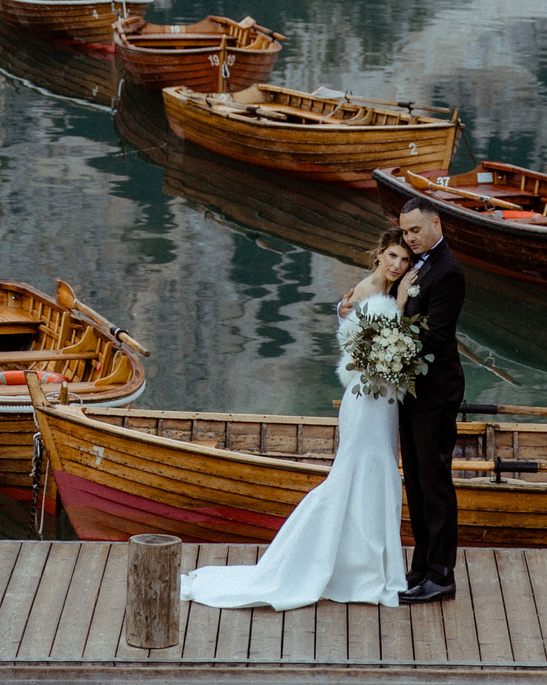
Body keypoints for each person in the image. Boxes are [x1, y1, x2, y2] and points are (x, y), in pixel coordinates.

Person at [179, 231, 416, 610]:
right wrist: (401, 305)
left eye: (404, 261)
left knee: (375, 473)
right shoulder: (367, 293)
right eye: (392, 256)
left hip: (381, 402)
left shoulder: (381, 294)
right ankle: (355, 571)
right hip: (367, 402)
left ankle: (366, 566)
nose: (397, 265)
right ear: (379, 254)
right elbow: (371, 358)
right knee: (358, 474)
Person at [393, 202, 464, 603]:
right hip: (411, 391)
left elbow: (434, 338)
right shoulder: (416, 264)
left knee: (435, 483)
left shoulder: (449, 271)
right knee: (417, 484)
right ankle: (421, 566)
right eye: (405, 232)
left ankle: (441, 574)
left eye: (416, 230)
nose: (410, 238)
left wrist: (391, 345)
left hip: (436, 392)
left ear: (436, 223)